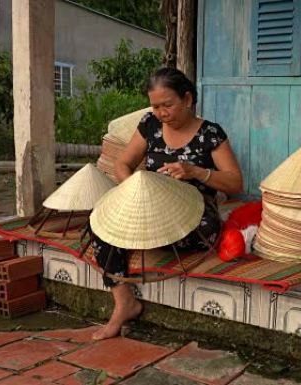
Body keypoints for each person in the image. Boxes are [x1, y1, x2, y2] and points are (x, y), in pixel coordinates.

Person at [91, 67, 244, 340]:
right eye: (156, 106)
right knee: (101, 224)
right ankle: (124, 300)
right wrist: (131, 192)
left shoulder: (210, 133)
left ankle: (146, 238)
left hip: (192, 211)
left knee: (206, 230)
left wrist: (196, 172)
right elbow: (122, 163)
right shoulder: (149, 124)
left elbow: (235, 184)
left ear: (187, 99)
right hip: (148, 207)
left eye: (168, 105)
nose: (161, 112)